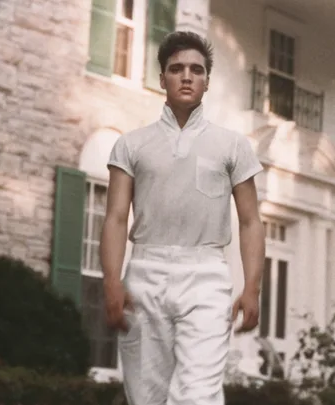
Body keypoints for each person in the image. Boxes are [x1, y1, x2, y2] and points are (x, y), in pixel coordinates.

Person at [99, 30, 265, 405]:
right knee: (146, 397)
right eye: (176, 69)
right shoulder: (131, 145)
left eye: (196, 69)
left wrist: (251, 287)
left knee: (198, 395)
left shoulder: (232, 145)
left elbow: (251, 221)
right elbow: (114, 218)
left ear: (207, 80)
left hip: (206, 276)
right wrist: (111, 281)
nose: (186, 76)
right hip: (145, 274)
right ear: (162, 79)